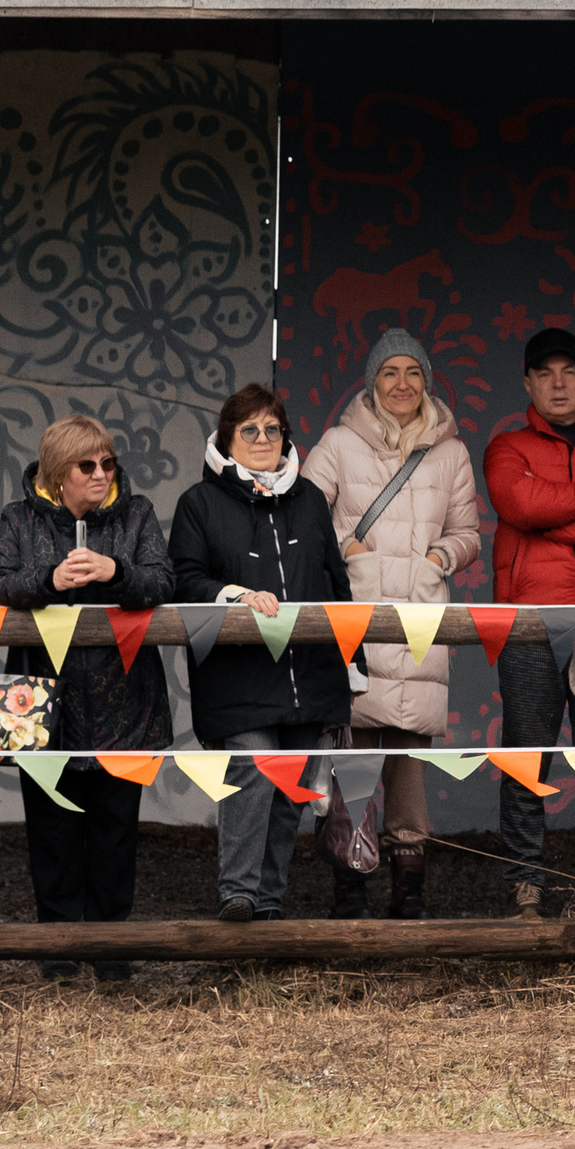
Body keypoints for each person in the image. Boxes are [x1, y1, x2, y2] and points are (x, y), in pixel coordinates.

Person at [0, 414, 174, 984]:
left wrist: (115, 571)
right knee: (52, 831)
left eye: (108, 463)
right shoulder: (19, 518)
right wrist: (48, 580)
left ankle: (112, 949)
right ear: (58, 473)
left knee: (115, 830)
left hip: (125, 699)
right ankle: (59, 948)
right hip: (40, 703)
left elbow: (164, 581)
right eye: (87, 465)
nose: (101, 473)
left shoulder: (136, 515)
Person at [305, 329, 482, 920]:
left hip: (419, 622)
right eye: (389, 373)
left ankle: (410, 893)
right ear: (371, 383)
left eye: (412, 372)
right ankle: (350, 886)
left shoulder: (451, 453)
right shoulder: (335, 445)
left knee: (408, 764)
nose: (402, 383)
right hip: (355, 621)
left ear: (426, 381)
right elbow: (303, 524)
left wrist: (440, 559)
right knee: (353, 757)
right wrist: (350, 551)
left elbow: (467, 534)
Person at [168, 384, 354, 924]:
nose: (262, 439)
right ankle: (239, 896)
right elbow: (183, 580)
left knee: (289, 794)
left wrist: (352, 663)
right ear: (226, 440)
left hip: (310, 675)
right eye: (248, 430)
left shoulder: (311, 499)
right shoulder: (198, 504)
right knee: (252, 772)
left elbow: (336, 585)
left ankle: (268, 905)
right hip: (237, 677)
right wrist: (236, 597)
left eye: (272, 429)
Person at [485, 326, 575, 918]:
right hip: (528, 622)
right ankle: (526, 883)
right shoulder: (505, 447)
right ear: (527, 383)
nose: (559, 383)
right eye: (545, 373)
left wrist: (551, 515)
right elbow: (522, 507)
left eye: (569, 370)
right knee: (526, 756)